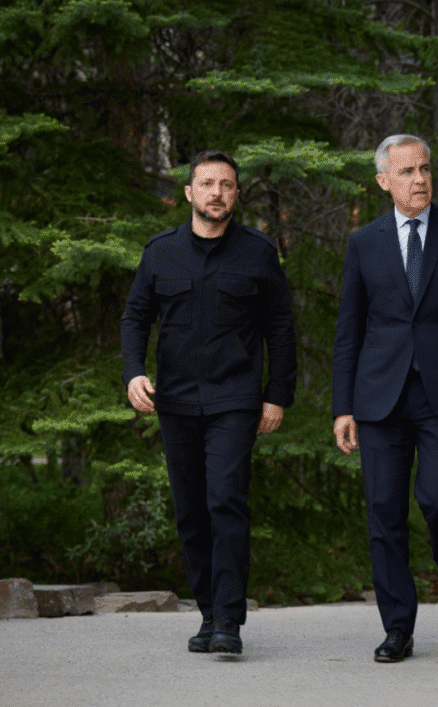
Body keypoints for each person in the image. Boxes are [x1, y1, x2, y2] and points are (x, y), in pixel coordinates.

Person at [332, 134, 438, 663]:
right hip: (379, 396)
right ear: (384, 181)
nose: (420, 180)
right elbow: (349, 332)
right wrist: (343, 406)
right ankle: (398, 629)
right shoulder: (365, 241)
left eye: (425, 168)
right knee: (384, 513)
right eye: (407, 172)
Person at [120, 150, 297, 655]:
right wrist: (134, 371)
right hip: (174, 401)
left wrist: (276, 395)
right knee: (191, 511)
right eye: (207, 183)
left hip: (235, 399)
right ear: (190, 193)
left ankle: (229, 621)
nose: (217, 192)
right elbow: (135, 317)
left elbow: (281, 328)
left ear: (236, 194)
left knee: (226, 500)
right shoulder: (160, 252)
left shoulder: (258, 253)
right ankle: (207, 614)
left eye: (227, 184)